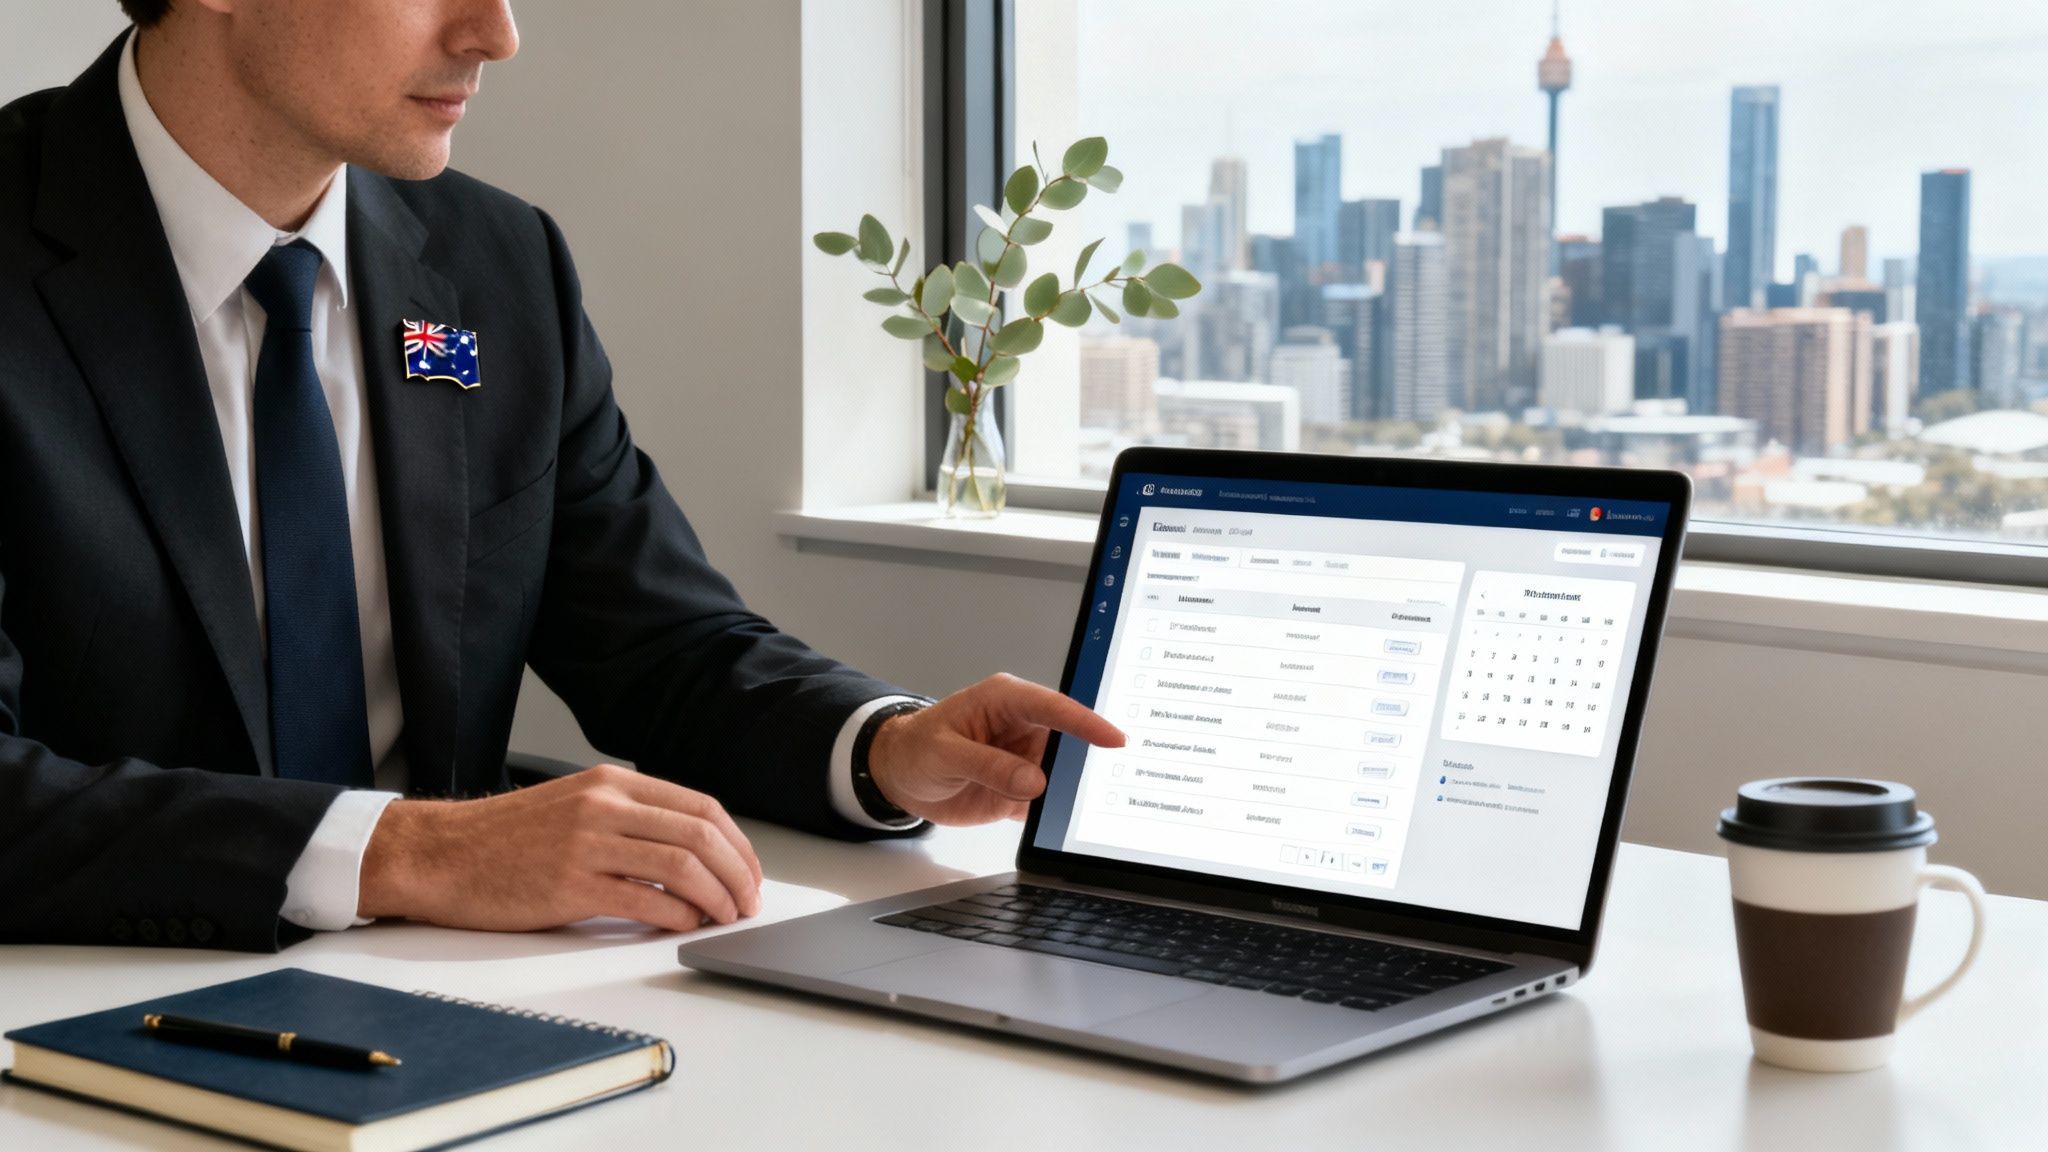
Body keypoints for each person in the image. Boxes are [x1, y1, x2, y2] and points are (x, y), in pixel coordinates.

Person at [0, 0, 1123, 952]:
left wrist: (880, 749)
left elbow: (657, 643)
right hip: (96, 1001)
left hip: (451, 989)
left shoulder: (497, 263)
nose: (498, 32)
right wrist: (409, 850)